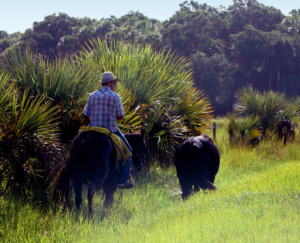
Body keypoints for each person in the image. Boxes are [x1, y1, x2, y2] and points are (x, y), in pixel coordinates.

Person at [82, 71, 134, 189]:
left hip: (92, 130)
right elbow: (121, 116)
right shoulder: (115, 96)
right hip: (110, 130)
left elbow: (85, 115)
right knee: (128, 153)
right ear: (110, 83)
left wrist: (94, 117)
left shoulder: (92, 95)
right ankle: (122, 180)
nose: (116, 85)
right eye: (115, 83)